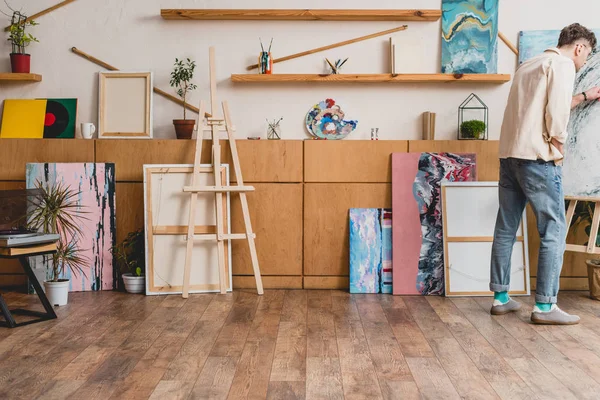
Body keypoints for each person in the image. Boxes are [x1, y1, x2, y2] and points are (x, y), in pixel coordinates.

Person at [489, 23, 600, 325]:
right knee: (553, 229)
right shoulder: (563, 65)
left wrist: (585, 96)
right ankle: (545, 307)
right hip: (538, 159)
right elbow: (557, 115)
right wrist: (559, 150)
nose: (585, 60)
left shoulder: (530, 65)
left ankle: (500, 298)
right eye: (587, 54)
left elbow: (537, 107)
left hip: (510, 156)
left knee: (505, 227)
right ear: (579, 47)